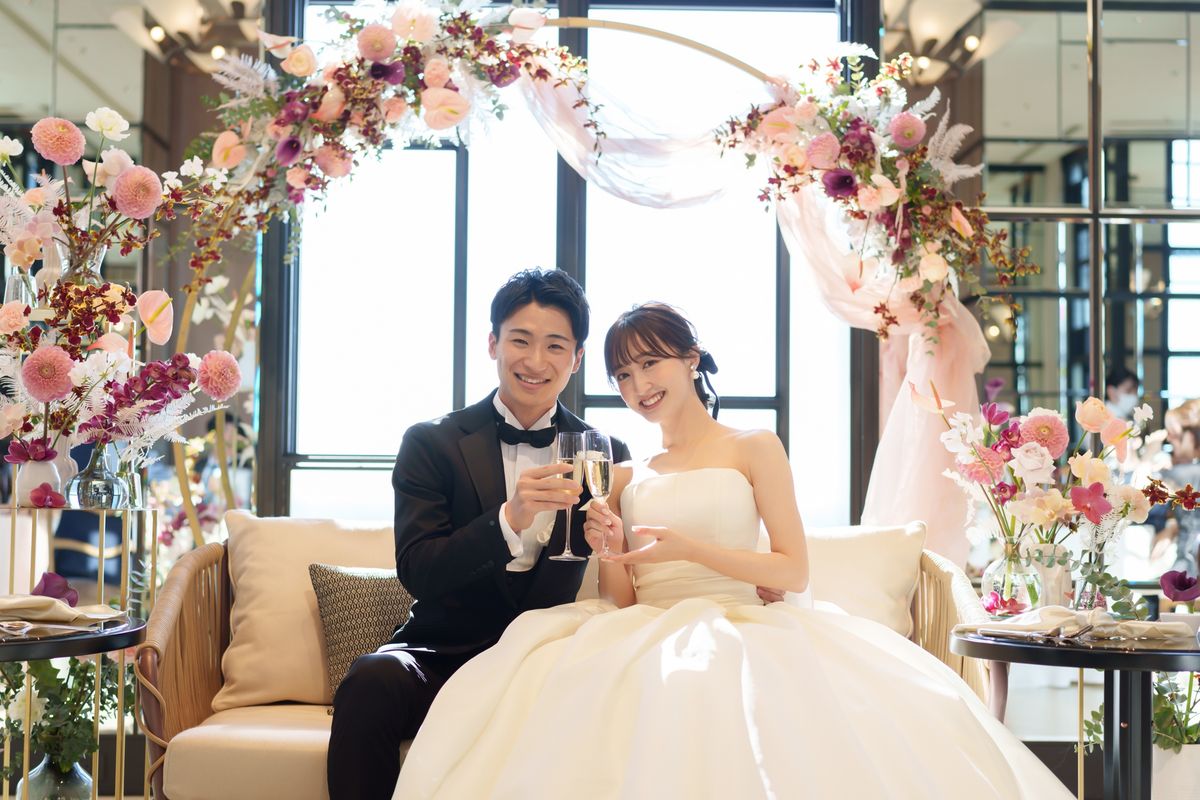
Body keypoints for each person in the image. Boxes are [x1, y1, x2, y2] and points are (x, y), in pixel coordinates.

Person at [392, 303, 1072, 799]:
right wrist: (612, 548)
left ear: (690, 360)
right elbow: (621, 598)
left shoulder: (754, 447)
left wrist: (692, 548)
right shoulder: (626, 472)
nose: (638, 385)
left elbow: (791, 570)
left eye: (650, 363)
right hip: (641, 628)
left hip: (743, 622)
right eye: (623, 374)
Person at [326, 269, 631, 799]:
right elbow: (419, 569)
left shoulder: (603, 452)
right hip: (441, 655)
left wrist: (614, 543)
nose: (535, 361)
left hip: (545, 662)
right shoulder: (431, 443)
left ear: (577, 358)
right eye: (520, 340)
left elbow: (632, 565)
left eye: (555, 345)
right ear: (493, 344)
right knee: (371, 680)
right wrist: (507, 519)